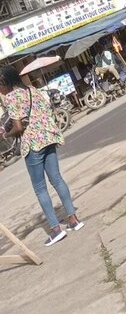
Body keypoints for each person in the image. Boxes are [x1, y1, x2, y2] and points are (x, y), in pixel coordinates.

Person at [0, 65, 82, 246]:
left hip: (33, 143)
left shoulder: (11, 97)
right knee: (57, 179)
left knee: (40, 188)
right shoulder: (32, 90)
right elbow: (44, 112)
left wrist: (6, 134)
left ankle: (55, 229)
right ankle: (74, 220)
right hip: (48, 137)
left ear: (5, 82)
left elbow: (19, 127)